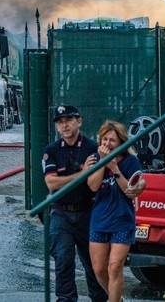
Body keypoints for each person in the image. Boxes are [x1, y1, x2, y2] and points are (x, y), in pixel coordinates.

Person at [42, 105, 106, 302]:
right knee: (63, 260)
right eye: (60, 122)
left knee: (94, 264)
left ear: (79, 121)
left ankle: (100, 299)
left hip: (88, 212)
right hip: (61, 213)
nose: (65, 125)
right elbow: (51, 182)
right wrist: (82, 173)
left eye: (69, 120)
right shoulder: (51, 150)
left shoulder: (92, 148)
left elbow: (95, 183)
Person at [87, 120, 145, 302]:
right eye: (104, 140)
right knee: (99, 269)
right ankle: (117, 299)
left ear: (121, 142)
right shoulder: (95, 159)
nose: (107, 144)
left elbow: (130, 191)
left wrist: (114, 168)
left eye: (112, 140)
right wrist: (103, 163)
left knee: (115, 267)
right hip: (99, 220)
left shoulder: (131, 161)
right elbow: (93, 186)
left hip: (122, 220)